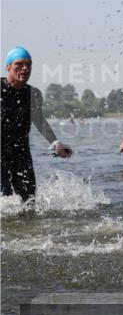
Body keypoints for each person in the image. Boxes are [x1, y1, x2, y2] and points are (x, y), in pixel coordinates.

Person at [1, 47, 73, 203]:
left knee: (29, 200)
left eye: (29, 64)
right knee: (4, 198)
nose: (25, 68)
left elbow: (39, 120)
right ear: (8, 66)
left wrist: (56, 143)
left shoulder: (33, 93)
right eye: (19, 64)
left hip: (21, 154)